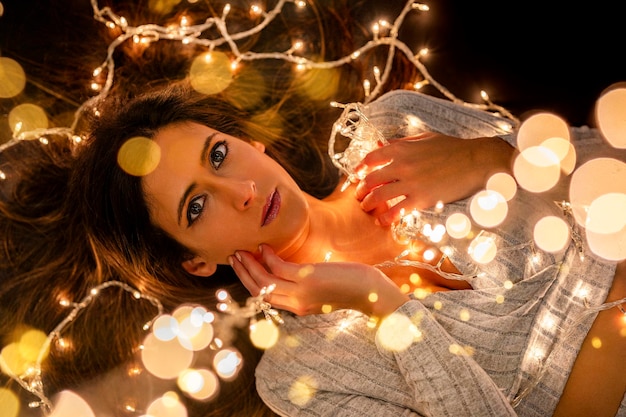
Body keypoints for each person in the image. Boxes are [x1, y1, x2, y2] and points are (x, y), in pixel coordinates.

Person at [72, 81, 625, 417]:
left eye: (219, 155)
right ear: (194, 260)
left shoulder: (394, 130)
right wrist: (387, 308)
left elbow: (612, 158)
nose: (241, 191)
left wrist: (491, 159)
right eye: (197, 206)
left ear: (249, 141)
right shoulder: (299, 377)